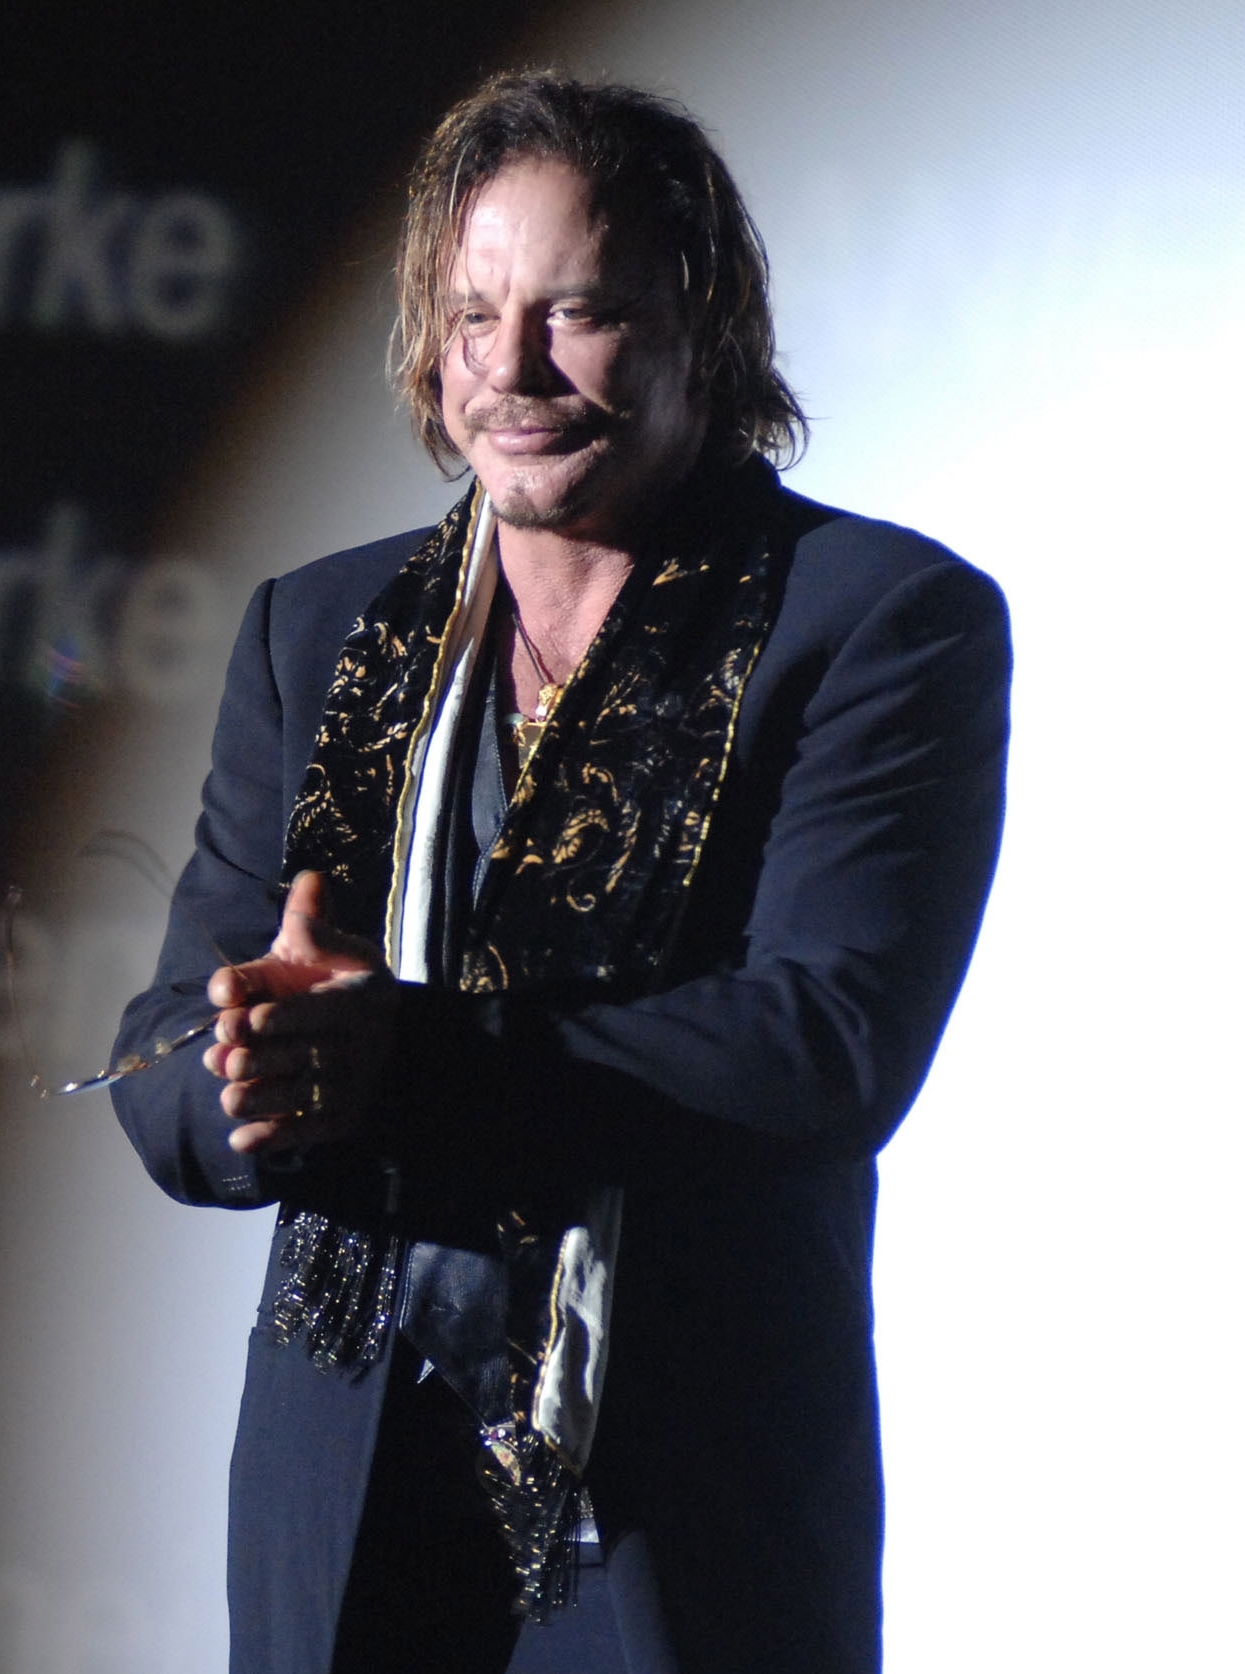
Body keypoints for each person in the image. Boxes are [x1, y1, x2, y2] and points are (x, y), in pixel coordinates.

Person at [112, 71, 1011, 1674]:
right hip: (345, 1519)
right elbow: (164, 1052)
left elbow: (821, 1046)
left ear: (702, 329)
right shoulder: (315, 630)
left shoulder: (877, 619)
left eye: (575, 312)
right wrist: (248, 1078)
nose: (510, 371)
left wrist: (403, 1062)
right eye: (472, 316)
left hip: (683, 1520)